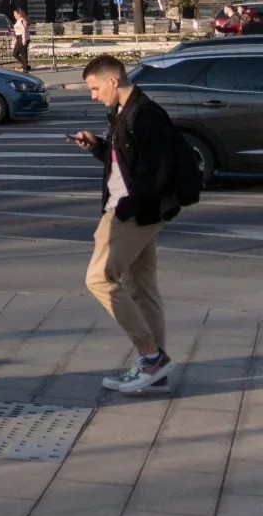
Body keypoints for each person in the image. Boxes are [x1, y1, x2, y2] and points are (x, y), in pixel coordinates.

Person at [71, 56, 188, 394]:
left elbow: (155, 170)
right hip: (137, 210)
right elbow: (129, 159)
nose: (92, 95)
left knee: (98, 279)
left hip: (134, 214)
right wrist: (98, 147)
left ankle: (151, 357)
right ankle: (156, 373)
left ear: (112, 81)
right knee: (142, 289)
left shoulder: (145, 114)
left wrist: (126, 209)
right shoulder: (125, 112)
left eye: (94, 88)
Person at [12, 7, 32, 73]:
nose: (14, 15)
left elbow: (24, 30)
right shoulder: (18, 21)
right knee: (15, 53)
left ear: (19, 14)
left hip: (22, 38)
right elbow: (16, 31)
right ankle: (26, 66)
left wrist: (24, 40)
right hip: (18, 38)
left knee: (23, 54)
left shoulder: (22, 21)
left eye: (15, 14)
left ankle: (25, 69)